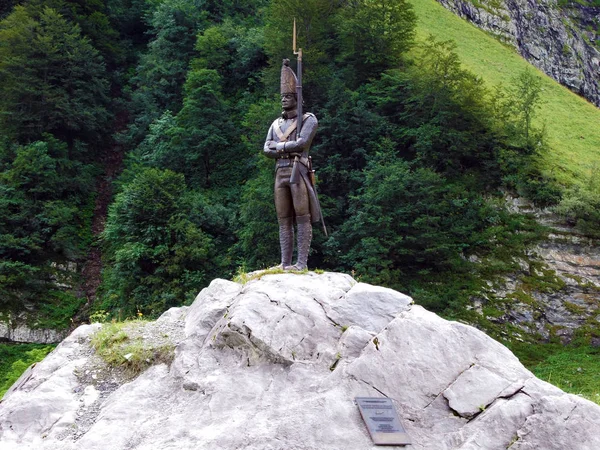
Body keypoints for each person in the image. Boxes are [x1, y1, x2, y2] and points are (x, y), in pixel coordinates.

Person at [263, 60, 322, 270]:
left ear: (297, 98)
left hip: (299, 171)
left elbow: (303, 143)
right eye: (282, 97)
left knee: (302, 216)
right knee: (283, 218)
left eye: (288, 96)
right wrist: (287, 147)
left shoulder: (309, 119)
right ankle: (284, 262)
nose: (284, 100)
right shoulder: (275, 124)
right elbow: (266, 149)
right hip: (280, 172)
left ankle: (301, 263)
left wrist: (278, 146)